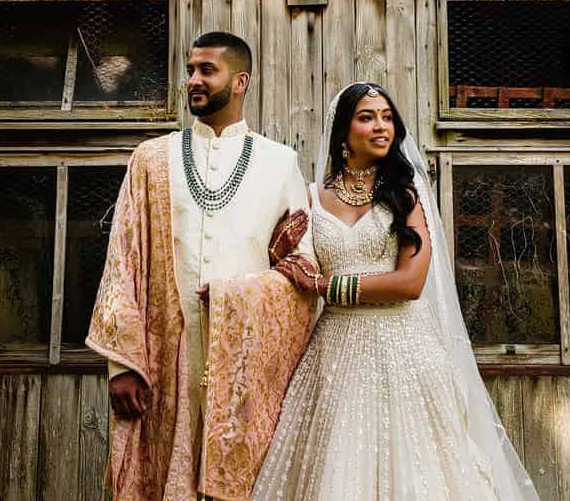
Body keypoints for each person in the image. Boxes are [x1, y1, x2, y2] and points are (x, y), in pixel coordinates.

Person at [250, 81, 543, 501]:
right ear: (342, 132)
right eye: (367, 117)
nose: (381, 127)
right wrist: (283, 258)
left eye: (387, 118)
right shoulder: (311, 198)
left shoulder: (405, 196)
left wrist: (326, 286)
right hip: (333, 357)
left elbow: (410, 283)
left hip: (405, 352)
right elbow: (294, 268)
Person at [87, 31, 321, 501]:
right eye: (190, 70)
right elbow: (123, 259)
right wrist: (120, 366)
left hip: (245, 370)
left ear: (240, 82)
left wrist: (241, 300)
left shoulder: (279, 164)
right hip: (160, 360)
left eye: (206, 70)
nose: (193, 79)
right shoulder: (151, 159)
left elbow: (302, 267)